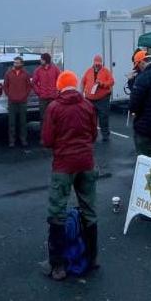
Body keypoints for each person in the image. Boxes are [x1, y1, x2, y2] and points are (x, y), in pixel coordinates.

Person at [41, 71, 99, 281]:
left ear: (59, 86)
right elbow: (93, 134)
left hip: (64, 165)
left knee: (57, 212)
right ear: (75, 85)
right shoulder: (88, 106)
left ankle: (58, 265)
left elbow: (47, 140)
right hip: (86, 162)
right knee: (89, 210)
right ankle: (92, 258)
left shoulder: (54, 107)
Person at [82, 54, 115, 142]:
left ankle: (105, 135)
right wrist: (82, 93)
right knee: (91, 119)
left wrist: (102, 84)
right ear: (93, 63)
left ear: (101, 63)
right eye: (96, 64)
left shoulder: (106, 71)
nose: (97, 65)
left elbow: (111, 82)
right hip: (90, 99)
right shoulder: (88, 71)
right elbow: (83, 82)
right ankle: (92, 135)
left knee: (103, 118)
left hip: (103, 99)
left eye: (99, 64)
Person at [3, 56, 32, 147]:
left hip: (23, 101)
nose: (15, 64)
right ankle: (12, 141)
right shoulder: (8, 73)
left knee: (23, 122)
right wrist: (9, 95)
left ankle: (23, 140)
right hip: (12, 101)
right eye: (14, 62)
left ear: (22, 64)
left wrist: (25, 96)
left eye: (17, 63)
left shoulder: (26, 74)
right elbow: (5, 86)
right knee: (12, 123)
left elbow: (29, 86)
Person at [31, 52, 60, 131]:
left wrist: (57, 91)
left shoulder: (55, 69)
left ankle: (54, 134)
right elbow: (33, 83)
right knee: (43, 117)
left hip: (53, 98)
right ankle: (43, 135)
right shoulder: (38, 70)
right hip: (43, 98)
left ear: (46, 60)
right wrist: (39, 92)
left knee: (54, 117)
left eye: (42, 59)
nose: (40, 60)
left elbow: (60, 80)